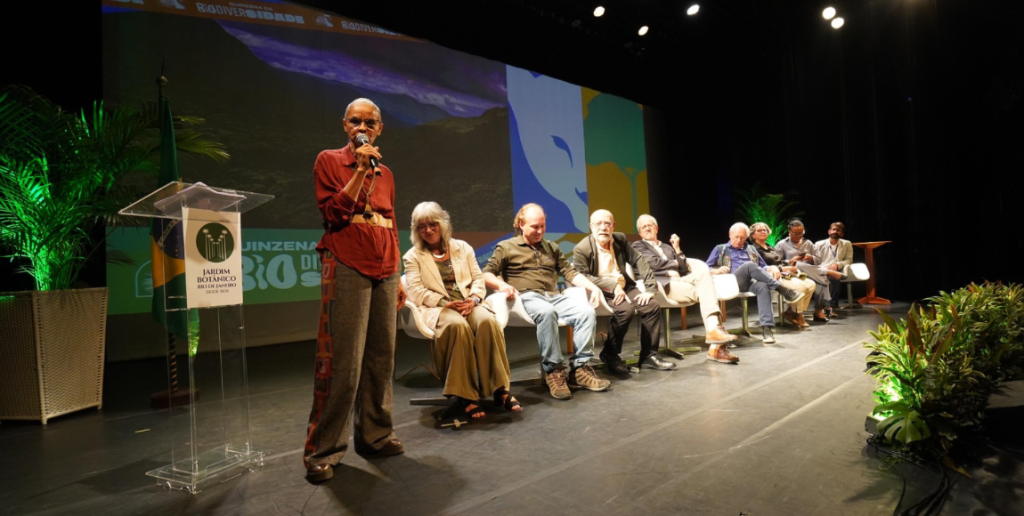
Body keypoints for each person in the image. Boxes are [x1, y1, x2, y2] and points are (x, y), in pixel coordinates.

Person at [304, 98, 408, 483]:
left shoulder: (388, 174)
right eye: (355, 121)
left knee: (382, 355)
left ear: (380, 129)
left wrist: (398, 275)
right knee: (343, 360)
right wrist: (360, 170)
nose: (362, 127)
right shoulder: (329, 161)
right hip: (347, 261)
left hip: (385, 266)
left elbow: (391, 223)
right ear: (345, 125)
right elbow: (333, 214)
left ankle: (375, 435)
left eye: (370, 122)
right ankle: (324, 450)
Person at [403, 201, 521, 422]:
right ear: (416, 230)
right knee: (457, 326)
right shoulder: (413, 256)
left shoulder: (462, 247)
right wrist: (444, 303)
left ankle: (499, 388)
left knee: (486, 321)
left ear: (442, 223)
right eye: (422, 226)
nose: (428, 230)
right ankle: (466, 395)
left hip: (468, 303)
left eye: (432, 224)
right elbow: (416, 292)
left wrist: (474, 299)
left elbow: (478, 279)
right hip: (439, 307)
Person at [482, 203, 608, 400]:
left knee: (586, 312)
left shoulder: (551, 247)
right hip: (525, 297)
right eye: (535, 226)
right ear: (521, 224)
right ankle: (554, 371)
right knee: (547, 311)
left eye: (542, 226)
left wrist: (594, 288)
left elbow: (569, 272)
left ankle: (580, 370)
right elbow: (487, 273)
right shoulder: (506, 247)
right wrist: (502, 285)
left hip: (553, 296)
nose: (540, 231)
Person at [572, 209, 676, 374]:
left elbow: (639, 259)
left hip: (625, 286)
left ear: (613, 226)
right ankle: (610, 353)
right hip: (602, 290)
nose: (603, 227)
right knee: (625, 310)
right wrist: (612, 286)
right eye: (598, 224)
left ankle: (649, 356)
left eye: (607, 223)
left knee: (651, 306)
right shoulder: (582, 249)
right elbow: (582, 276)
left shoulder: (619, 239)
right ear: (591, 227)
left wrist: (650, 288)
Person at [632, 214, 739, 364]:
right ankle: (716, 345)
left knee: (704, 274)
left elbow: (683, 267)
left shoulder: (667, 247)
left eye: (650, 225)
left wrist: (676, 248)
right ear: (640, 232)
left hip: (680, 280)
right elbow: (652, 263)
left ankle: (715, 333)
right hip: (661, 283)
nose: (647, 228)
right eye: (643, 227)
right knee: (708, 293)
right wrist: (674, 265)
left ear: (657, 228)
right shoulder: (638, 246)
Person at [706, 223, 806, 345]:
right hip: (730, 282)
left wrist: (772, 267)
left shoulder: (751, 249)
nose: (739, 240)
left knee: (763, 286)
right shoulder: (720, 249)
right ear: (730, 235)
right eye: (737, 237)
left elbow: (763, 267)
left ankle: (767, 329)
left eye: (743, 238)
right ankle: (783, 290)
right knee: (749, 265)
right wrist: (715, 270)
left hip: (749, 283)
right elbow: (706, 267)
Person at [749, 222, 818, 328]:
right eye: (759, 230)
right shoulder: (753, 249)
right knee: (800, 286)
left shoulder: (770, 247)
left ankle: (791, 312)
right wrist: (782, 269)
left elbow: (779, 261)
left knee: (811, 284)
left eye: (765, 230)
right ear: (753, 235)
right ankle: (798, 314)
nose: (763, 232)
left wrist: (790, 262)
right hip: (772, 276)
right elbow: (757, 267)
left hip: (784, 273)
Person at [775, 219, 844, 322]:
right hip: (793, 273)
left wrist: (811, 258)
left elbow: (818, 260)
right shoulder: (781, 244)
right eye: (796, 234)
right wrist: (791, 261)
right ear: (789, 232)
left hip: (810, 273)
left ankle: (818, 311)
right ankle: (827, 272)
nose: (799, 236)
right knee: (802, 266)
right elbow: (777, 263)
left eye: (801, 233)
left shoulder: (808, 243)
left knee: (821, 281)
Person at [814, 222, 853, 316]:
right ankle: (822, 307)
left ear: (842, 234)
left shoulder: (846, 244)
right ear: (829, 231)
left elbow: (849, 260)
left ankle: (832, 307)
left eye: (838, 230)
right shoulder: (819, 244)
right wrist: (823, 268)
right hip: (822, 269)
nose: (835, 231)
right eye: (834, 229)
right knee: (823, 278)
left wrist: (837, 264)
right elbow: (815, 260)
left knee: (834, 278)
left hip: (837, 270)